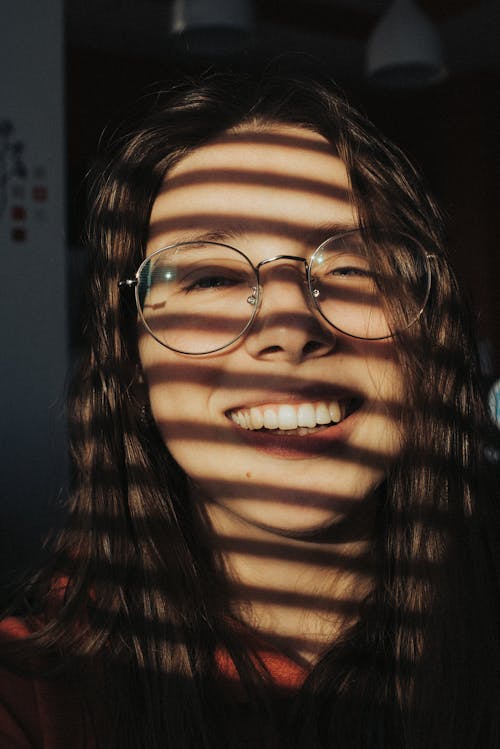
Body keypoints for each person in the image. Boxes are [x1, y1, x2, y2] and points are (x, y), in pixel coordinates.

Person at [1, 69, 499, 749]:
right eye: (210, 275)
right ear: (131, 356)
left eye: (353, 266)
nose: (290, 320)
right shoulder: (36, 695)